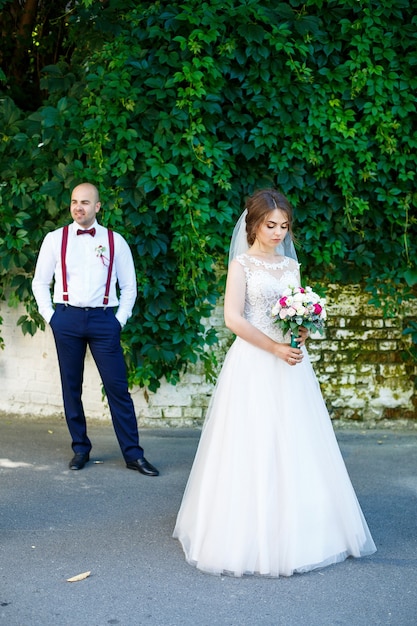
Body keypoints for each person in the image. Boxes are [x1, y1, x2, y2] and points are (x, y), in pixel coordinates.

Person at [173, 188, 376, 576]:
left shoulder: (289, 267)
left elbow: (298, 311)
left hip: (290, 362)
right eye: (271, 225)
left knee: (296, 441)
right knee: (251, 442)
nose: (279, 233)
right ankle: (245, 531)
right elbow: (234, 319)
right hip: (254, 362)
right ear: (253, 224)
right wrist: (274, 347)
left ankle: (304, 530)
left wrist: (302, 333)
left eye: (284, 226)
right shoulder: (242, 265)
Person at [32, 182, 159, 476]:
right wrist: (51, 316)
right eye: (75, 201)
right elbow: (40, 282)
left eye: (86, 202)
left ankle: (133, 454)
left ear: (98, 207)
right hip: (66, 319)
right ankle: (80, 448)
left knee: (118, 389)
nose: (79, 207)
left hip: (104, 321)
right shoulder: (55, 239)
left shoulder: (116, 242)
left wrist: (119, 320)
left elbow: (129, 286)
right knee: (71, 387)